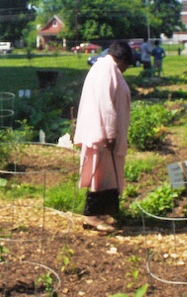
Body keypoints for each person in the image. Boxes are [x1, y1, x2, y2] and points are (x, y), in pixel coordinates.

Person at [73, 41, 135, 232]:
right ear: (121, 59)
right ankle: (91, 215)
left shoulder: (104, 67)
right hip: (102, 135)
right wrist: (108, 133)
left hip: (103, 133)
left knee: (107, 175)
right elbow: (104, 104)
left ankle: (102, 212)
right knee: (100, 174)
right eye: (127, 64)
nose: (126, 69)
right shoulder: (107, 69)